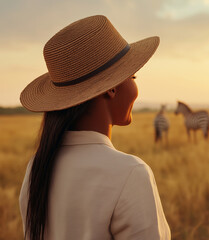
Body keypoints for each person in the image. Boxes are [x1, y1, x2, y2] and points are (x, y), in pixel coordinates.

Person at [18, 15, 170, 240]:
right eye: (133, 75)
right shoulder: (131, 173)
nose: (136, 87)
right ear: (111, 89)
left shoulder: (36, 168)